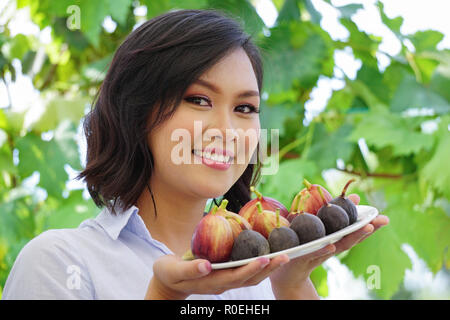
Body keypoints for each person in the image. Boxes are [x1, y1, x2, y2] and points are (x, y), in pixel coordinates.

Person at [2, 9, 388, 300]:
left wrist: (293, 284)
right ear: (136, 112)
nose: (227, 130)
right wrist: (165, 295)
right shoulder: (58, 263)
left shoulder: (257, 275)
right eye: (199, 99)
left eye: (245, 108)